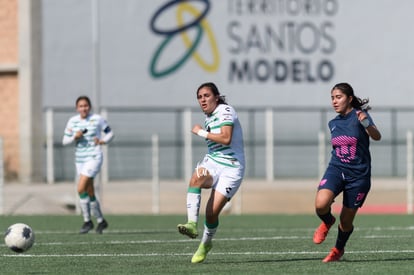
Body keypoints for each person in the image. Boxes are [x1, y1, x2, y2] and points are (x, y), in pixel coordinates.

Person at [177, 82, 245, 263]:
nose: (203, 99)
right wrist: (203, 130)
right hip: (214, 162)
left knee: (211, 214)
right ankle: (191, 224)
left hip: (232, 167)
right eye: (199, 97)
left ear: (216, 97)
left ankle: (206, 243)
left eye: (206, 95)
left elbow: (226, 138)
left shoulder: (226, 111)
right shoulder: (209, 118)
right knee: (195, 179)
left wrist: (200, 132)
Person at [313, 82, 381, 262]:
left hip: (358, 176)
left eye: (339, 97)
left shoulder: (360, 116)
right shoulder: (333, 123)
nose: (334, 101)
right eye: (332, 98)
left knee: (346, 221)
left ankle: (338, 250)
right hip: (336, 169)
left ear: (349, 99)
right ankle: (328, 221)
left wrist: (366, 123)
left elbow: (376, 136)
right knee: (321, 204)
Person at [62, 96, 114, 234]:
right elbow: (65, 140)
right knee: (89, 191)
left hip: (94, 157)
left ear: (89, 107)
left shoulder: (97, 119)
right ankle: (101, 221)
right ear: (77, 108)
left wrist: (102, 141)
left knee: (80, 188)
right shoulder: (73, 121)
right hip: (80, 160)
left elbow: (110, 133)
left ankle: (87, 221)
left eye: (86, 105)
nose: (83, 108)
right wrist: (75, 137)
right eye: (81, 106)